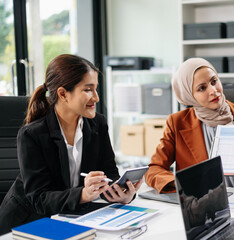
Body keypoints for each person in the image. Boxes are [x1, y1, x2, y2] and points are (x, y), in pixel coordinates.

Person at [0, 54, 142, 234]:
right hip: (28, 223)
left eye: (96, 89)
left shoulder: (98, 124)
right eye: (88, 90)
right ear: (62, 94)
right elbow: (39, 198)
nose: (96, 98)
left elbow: (109, 173)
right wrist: (84, 194)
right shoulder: (32, 135)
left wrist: (122, 194)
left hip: (71, 217)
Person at [145, 58, 234, 193]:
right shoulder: (177, 123)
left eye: (214, 81)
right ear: (189, 95)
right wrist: (182, 184)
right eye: (202, 88)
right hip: (204, 200)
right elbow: (153, 169)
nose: (213, 91)